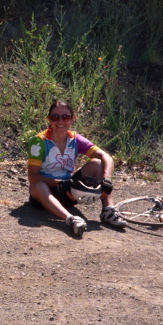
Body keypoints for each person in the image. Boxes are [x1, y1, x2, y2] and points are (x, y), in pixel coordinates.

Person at [26, 99, 127, 236]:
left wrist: (106, 179)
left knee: (97, 164)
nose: (60, 121)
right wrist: (59, 183)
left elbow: (106, 156)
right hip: (45, 193)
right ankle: (70, 219)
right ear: (49, 119)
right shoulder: (38, 142)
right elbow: (32, 177)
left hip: (70, 191)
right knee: (37, 186)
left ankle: (108, 210)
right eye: (55, 117)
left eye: (65, 117)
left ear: (72, 119)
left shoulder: (75, 139)